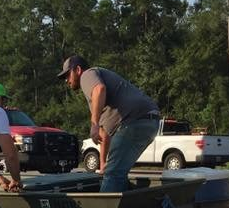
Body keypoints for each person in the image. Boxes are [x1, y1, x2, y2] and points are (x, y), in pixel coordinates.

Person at [58, 55, 161, 193]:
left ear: (77, 70)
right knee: (117, 171)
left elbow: (99, 89)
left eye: (67, 75)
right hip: (149, 121)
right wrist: (102, 164)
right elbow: (104, 132)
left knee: (113, 174)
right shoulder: (105, 100)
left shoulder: (87, 75)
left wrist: (93, 124)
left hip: (135, 121)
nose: (67, 80)